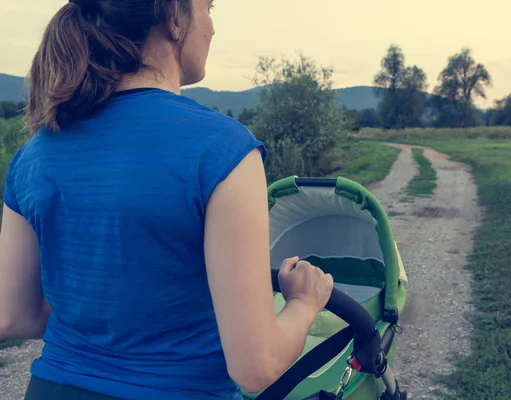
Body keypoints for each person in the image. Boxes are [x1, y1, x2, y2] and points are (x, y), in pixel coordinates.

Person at [0, 0, 334, 399]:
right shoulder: (221, 147)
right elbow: (257, 365)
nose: (212, 27)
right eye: (209, 8)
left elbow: (14, 317)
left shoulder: (34, 153)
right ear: (175, 18)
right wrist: (303, 302)